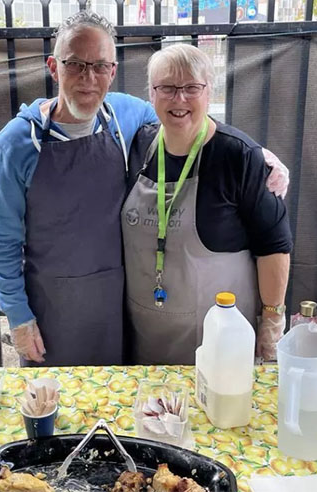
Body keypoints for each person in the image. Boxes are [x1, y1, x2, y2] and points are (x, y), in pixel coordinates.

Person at [0, 12, 289, 367]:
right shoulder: (16, 144)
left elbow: (184, 117)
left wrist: (255, 153)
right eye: (75, 65)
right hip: (52, 310)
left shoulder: (124, 116)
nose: (88, 78)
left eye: (100, 65)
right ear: (53, 67)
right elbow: (2, 243)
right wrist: (18, 316)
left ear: (113, 72)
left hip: (119, 310)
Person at [122, 44, 292, 364]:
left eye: (191, 88)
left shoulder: (238, 156)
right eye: (167, 87)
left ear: (209, 91)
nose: (179, 99)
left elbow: (274, 245)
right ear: (151, 93)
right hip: (146, 338)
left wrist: (272, 320)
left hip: (220, 343)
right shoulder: (138, 144)